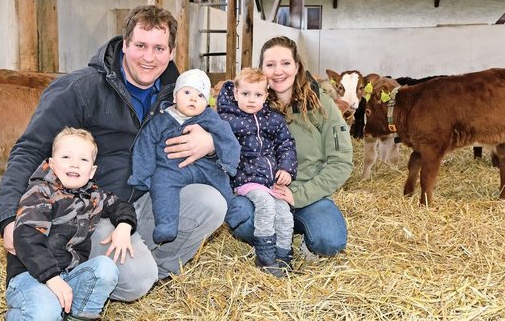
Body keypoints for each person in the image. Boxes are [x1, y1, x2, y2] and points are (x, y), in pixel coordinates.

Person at [0, 5, 226, 302]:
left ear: (171, 52)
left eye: (158, 48)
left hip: (147, 199)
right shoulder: (80, 90)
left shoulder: (177, 95)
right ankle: (121, 275)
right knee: (134, 280)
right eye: (140, 45)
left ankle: (154, 271)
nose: (148, 57)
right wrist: (8, 218)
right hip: (92, 208)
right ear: (125, 44)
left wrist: (210, 143)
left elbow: (223, 138)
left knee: (211, 202)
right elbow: (28, 150)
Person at [225, 36, 353, 259]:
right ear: (261, 69)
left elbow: (341, 161)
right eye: (270, 65)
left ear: (297, 66)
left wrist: (299, 195)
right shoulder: (249, 106)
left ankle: (302, 234)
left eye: (285, 63)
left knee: (329, 241)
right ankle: (271, 239)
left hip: (307, 195)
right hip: (260, 192)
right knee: (240, 219)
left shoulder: (320, 105)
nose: (278, 71)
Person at [6, 127, 137, 320]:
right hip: (32, 275)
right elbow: (27, 239)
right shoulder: (40, 193)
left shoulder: (93, 195)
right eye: (66, 157)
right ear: (51, 163)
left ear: (91, 170)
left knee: (105, 268)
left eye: (83, 159)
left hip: (69, 274)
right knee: (46, 312)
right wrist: (51, 278)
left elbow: (120, 205)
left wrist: (125, 225)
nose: (75, 164)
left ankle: (78, 315)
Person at [128, 69, 240, 245]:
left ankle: (233, 211)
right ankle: (166, 224)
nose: (193, 99)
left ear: (207, 102)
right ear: (174, 97)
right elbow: (145, 145)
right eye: (187, 92)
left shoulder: (209, 117)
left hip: (204, 166)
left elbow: (226, 137)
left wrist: (229, 162)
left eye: (200, 96)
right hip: (171, 168)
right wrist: (142, 175)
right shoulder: (161, 119)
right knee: (162, 186)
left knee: (220, 178)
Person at [217, 67, 297, 277]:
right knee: (266, 205)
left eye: (258, 95)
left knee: (285, 215)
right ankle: (265, 255)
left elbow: (286, 144)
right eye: (245, 94)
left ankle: (283, 255)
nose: (251, 100)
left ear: (266, 95)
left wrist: (286, 169)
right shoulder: (227, 120)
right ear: (235, 93)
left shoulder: (272, 119)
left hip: (270, 181)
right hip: (245, 179)